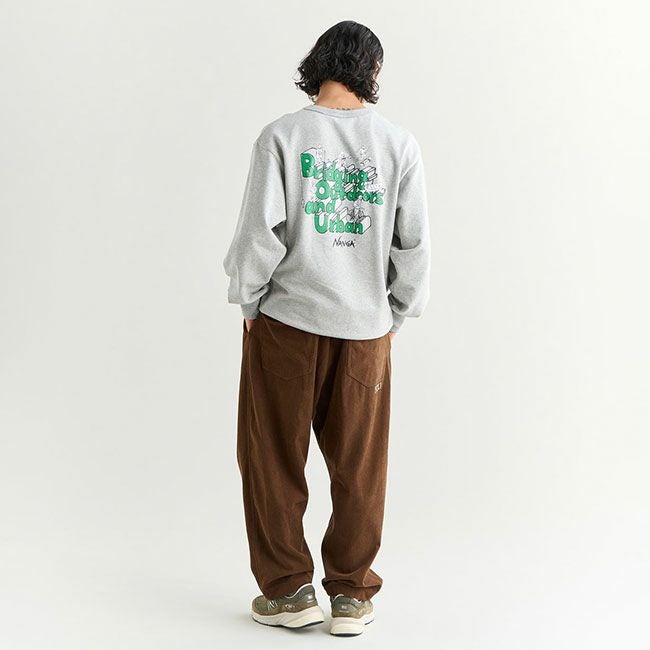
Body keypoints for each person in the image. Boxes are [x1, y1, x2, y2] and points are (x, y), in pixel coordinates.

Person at [222, 20, 431, 637]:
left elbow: (258, 235)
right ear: (373, 70)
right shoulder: (398, 145)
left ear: (317, 62)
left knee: (271, 459)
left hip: (288, 324)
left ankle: (289, 592)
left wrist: (249, 302)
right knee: (360, 467)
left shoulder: (283, 136)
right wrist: (395, 314)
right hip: (365, 332)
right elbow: (414, 246)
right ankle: (351, 596)